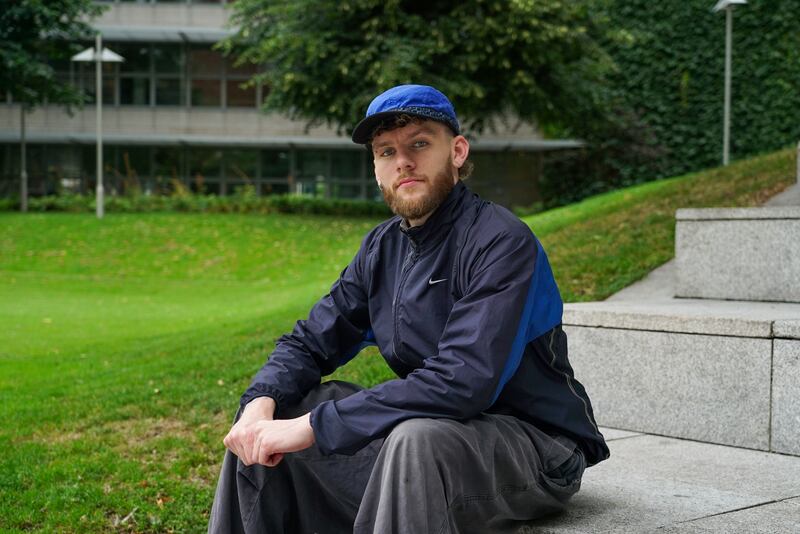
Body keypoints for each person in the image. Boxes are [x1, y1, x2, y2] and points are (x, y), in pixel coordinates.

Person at [208, 84, 609, 534]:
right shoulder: (382, 247)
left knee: (415, 439)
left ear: (457, 151)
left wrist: (318, 426)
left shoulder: (501, 241)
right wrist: (259, 403)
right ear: (376, 168)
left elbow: (463, 381)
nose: (403, 161)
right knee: (270, 419)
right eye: (386, 151)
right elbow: (311, 340)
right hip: (442, 431)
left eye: (420, 143)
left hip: (538, 446)